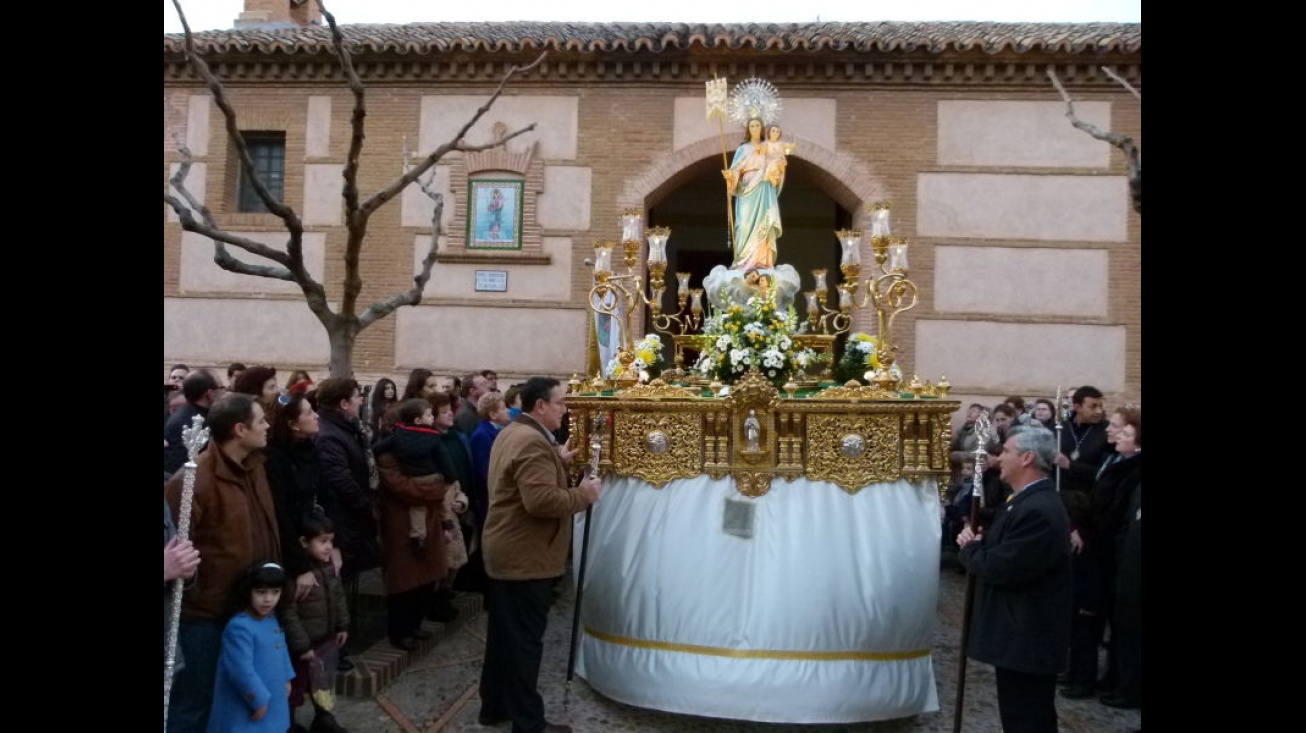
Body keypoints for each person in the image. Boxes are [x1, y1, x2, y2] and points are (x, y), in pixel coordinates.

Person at [477, 377, 601, 733]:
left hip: (508, 551)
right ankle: (528, 723)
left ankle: (494, 705)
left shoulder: (516, 432)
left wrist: (557, 460)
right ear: (540, 406)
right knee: (524, 644)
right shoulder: (531, 442)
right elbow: (541, 501)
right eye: (561, 403)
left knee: (505, 636)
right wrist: (585, 494)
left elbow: (523, 482)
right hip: (524, 557)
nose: (565, 410)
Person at [164, 392, 280, 733]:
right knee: (194, 704)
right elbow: (176, 547)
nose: (268, 425)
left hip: (250, 607)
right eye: (261, 420)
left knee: (239, 697)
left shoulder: (256, 467)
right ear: (240, 429)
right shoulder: (191, 481)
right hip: (204, 616)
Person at [957, 425, 1071, 733]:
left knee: (1027, 719)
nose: (1000, 457)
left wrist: (970, 550)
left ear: (1027, 458)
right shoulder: (1021, 500)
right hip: (1018, 636)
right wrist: (981, 543)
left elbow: (1003, 566)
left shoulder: (1038, 510)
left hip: (1028, 636)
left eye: (1007, 451)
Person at [313, 377, 381, 671]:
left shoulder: (347, 429)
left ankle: (339, 646)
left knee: (344, 585)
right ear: (343, 403)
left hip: (351, 522)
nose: (361, 401)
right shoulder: (329, 435)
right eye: (357, 397)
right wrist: (367, 505)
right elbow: (339, 481)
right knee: (334, 589)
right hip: (341, 523)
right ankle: (332, 654)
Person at [278, 512, 350, 733]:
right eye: (322, 541)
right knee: (296, 687)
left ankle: (324, 719)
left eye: (331, 540)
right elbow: (289, 613)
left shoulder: (329, 568)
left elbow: (338, 597)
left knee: (323, 682)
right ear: (303, 542)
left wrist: (342, 625)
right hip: (303, 646)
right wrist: (302, 646)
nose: (328, 547)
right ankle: (288, 725)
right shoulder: (295, 577)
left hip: (325, 638)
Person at [206, 561, 296, 733]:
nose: (268, 599)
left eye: (275, 592)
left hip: (273, 693)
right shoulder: (240, 627)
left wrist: (287, 677)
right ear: (249, 591)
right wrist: (257, 699)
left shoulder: (271, 618)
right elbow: (240, 670)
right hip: (247, 703)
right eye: (261, 592)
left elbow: (281, 647)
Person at [460, 391, 513, 595]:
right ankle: (483, 585)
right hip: (488, 499)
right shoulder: (482, 435)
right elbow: (484, 473)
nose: (508, 411)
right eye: (503, 408)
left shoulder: (497, 431)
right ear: (492, 415)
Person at [722, 116, 783, 274]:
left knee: (764, 223)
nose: (755, 128)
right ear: (748, 129)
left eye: (757, 125)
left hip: (764, 188)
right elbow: (735, 170)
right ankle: (743, 262)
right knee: (744, 225)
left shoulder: (768, 146)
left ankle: (761, 261)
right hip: (746, 190)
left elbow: (778, 162)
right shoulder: (743, 149)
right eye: (752, 126)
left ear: (762, 129)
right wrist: (731, 176)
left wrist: (776, 167)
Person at [164, 369, 222, 478]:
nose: (223, 392)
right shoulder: (199, 423)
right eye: (220, 388)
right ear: (210, 394)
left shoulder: (188, 412)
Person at [1055, 385, 1110, 495]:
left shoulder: (1107, 431)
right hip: (1060, 493)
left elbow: (1105, 472)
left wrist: (1070, 465)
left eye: (1100, 406)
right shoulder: (1061, 428)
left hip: (1088, 497)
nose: (1099, 411)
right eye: (1093, 407)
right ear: (1077, 407)